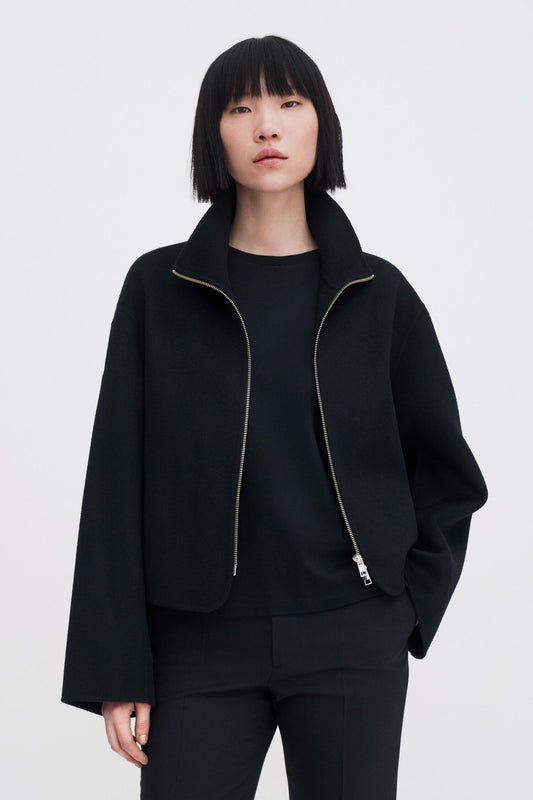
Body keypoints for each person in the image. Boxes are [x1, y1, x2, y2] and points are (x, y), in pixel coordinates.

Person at [61, 35, 489, 799]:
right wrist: (114, 664)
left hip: (350, 635)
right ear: (212, 133)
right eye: (240, 107)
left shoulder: (378, 295)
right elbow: (114, 482)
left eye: (289, 102)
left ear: (320, 123)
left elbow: (446, 471)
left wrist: (406, 607)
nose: (267, 125)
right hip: (194, 643)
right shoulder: (158, 289)